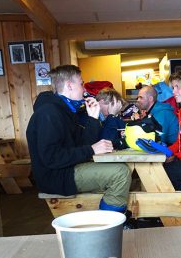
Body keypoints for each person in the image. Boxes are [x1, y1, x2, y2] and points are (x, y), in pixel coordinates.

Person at [26, 65, 131, 213]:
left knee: (122, 170)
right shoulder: (49, 113)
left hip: (67, 169)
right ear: (69, 85)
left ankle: (109, 219)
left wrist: (93, 118)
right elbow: (52, 158)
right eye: (81, 83)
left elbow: (81, 144)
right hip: (57, 177)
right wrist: (91, 149)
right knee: (120, 173)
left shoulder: (65, 110)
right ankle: (107, 225)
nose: (84, 89)